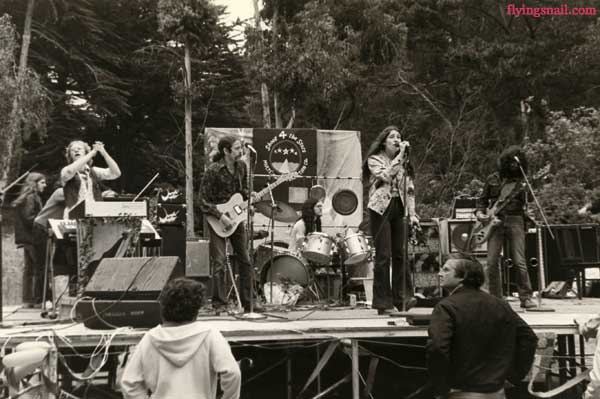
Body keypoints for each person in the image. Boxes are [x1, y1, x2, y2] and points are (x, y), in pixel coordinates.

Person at [426, 254, 538, 399]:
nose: (440, 273)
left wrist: (441, 387)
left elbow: (437, 347)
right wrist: (513, 376)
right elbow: (529, 338)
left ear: (462, 277)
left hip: (460, 392)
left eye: (446, 270)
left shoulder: (446, 307)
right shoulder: (500, 304)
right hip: (496, 392)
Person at [120, 278, 241, 399]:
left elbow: (129, 383)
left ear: (163, 306)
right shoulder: (210, 335)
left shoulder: (150, 338)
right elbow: (233, 373)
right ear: (197, 309)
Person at [200, 136, 261, 313]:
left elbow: (241, 192)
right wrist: (220, 216)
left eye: (241, 147)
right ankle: (220, 304)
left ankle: (249, 303)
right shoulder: (213, 171)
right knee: (219, 262)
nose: (241, 151)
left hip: (236, 218)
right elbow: (203, 201)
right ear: (226, 151)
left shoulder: (242, 167)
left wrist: (249, 201)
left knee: (246, 260)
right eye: (236, 148)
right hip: (217, 220)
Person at [363, 125, 420, 315]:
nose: (397, 140)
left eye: (399, 137)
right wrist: (400, 156)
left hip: (399, 207)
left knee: (400, 254)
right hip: (380, 209)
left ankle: (403, 297)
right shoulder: (375, 159)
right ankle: (382, 302)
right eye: (392, 137)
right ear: (384, 141)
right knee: (384, 255)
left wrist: (412, 214)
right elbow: (386, 176)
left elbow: (409, 189)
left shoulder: (404, 162)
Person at [475, 145, 536, 308]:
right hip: (495, 222)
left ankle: (526, 297)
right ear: (505, 163)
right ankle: (496, 298)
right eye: (511, 163)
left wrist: (527, 187)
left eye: (517, 163)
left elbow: (530, 202)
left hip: (516, 219)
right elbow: (481, 201)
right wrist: (481, 215)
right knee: (491, 261)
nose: (514, 166)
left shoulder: (522, 182)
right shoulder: (493, 179)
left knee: (519, 261)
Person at [60, 140, 121, 218]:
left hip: (94, 214)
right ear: (70, 155)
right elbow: (69, 171)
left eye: (79, 148)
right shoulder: (65, 170)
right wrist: (92, 152)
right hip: (74, 215)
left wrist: (104, 153)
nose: (76, 150)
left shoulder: (93, 171)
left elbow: (116, 173)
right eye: (72, 150)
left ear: (85, 152)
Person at [12, 172, 47, 307]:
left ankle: (27, 300)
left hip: (26, 238)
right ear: (35, 183)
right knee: (39, 267)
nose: (45, 185)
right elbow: (29, 218)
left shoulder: (27, 197)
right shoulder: (32, 197)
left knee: (29, 269)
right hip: (32, 238)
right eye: (42, 182)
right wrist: (44, 224)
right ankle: (38, 299)